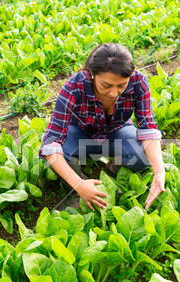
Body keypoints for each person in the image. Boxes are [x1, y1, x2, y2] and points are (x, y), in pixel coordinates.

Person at [39, 43, 165, 211]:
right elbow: (50, 145)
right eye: (106, 85)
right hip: (80, 133)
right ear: (92, 73)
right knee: (55, 156)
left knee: (144, 156)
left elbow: (147, 128)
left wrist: (159, 172)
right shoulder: (73, 88)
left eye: (121, 85)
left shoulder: (138, 83)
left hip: (117, 131)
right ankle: (78, 192)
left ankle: (111, 176)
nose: (113, 93)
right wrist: (79, 184)